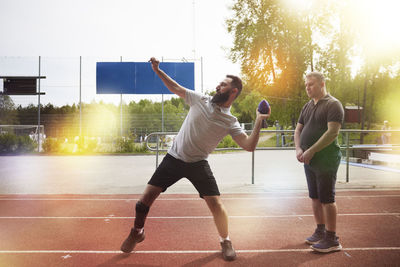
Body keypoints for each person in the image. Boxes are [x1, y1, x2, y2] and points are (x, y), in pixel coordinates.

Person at [120, 57, 270, 261]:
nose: (218, 86)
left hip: (198, 164)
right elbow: (175, 87)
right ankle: (137, 232)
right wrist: (157, 70)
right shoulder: (200, 99)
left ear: (233, 91)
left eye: (223, 85)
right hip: (174, 159)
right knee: (142, 203)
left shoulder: (230, 121)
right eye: (219, 83)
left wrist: (259, 121)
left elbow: (249, 146)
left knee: (216, 205)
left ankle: (225, 240)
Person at [294, 72, 344, 253]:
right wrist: (299, 149)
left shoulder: (333, 104)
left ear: (322, 84)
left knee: (326, 198)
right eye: (306, 84)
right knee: (314, 197)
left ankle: (332, 239)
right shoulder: (307, 106)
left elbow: (332, 133)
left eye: (311, 84)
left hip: (326, 158)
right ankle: (320, 230)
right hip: (309, 159)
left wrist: (311, 150)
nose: (308, 87)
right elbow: (298, 130)